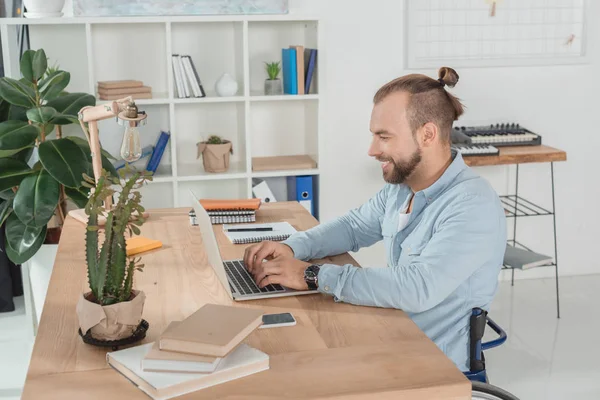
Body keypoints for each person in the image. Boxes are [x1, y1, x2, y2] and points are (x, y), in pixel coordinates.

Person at [243, 67, 507, 371]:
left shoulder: (472, 205)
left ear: (428, 134)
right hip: (391, 336)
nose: (372, 150)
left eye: (384, 137)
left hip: (432, 368)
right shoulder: (402, 189)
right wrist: (292, 248)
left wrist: (312, 275)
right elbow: (353, 227)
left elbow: (418, 288)